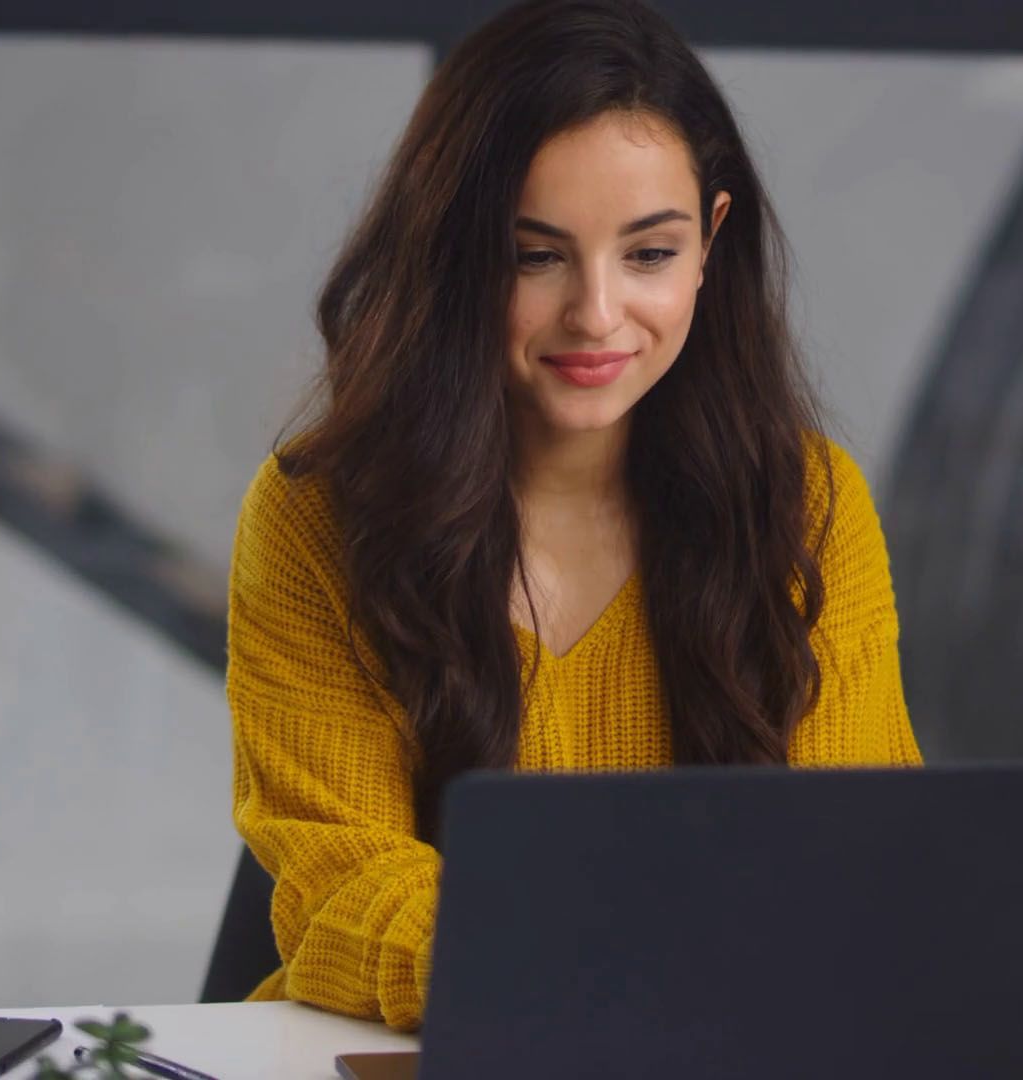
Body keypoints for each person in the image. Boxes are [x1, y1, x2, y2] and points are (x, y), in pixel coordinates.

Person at [225, 0, 922, 1032]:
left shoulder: (805, 507)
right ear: (454, 252)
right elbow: (346, 884)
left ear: (710, 241)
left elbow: (856, 866)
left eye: (649, 254)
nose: (596, 315)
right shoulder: (317, 517)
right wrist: (615, 973)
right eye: (535, 255)